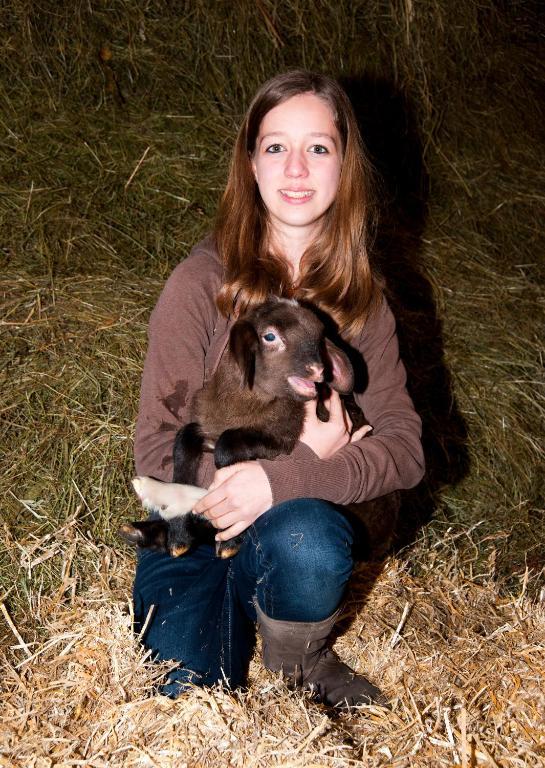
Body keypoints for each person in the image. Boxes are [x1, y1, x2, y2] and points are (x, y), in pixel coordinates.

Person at [132, 70, 424, 707]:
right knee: (187, 700)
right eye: (275, 147)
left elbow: (406, 450)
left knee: (309, 540)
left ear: (345, 167)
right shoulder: (200, 285)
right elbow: (157, 450)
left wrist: (293, 478)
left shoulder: (363, 305)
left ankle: (297, 653)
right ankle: (232, 613)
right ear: (251, 165)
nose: (296, 168)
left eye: (318, 147)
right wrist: (294, 458)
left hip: (290, 524)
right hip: (196, 528)